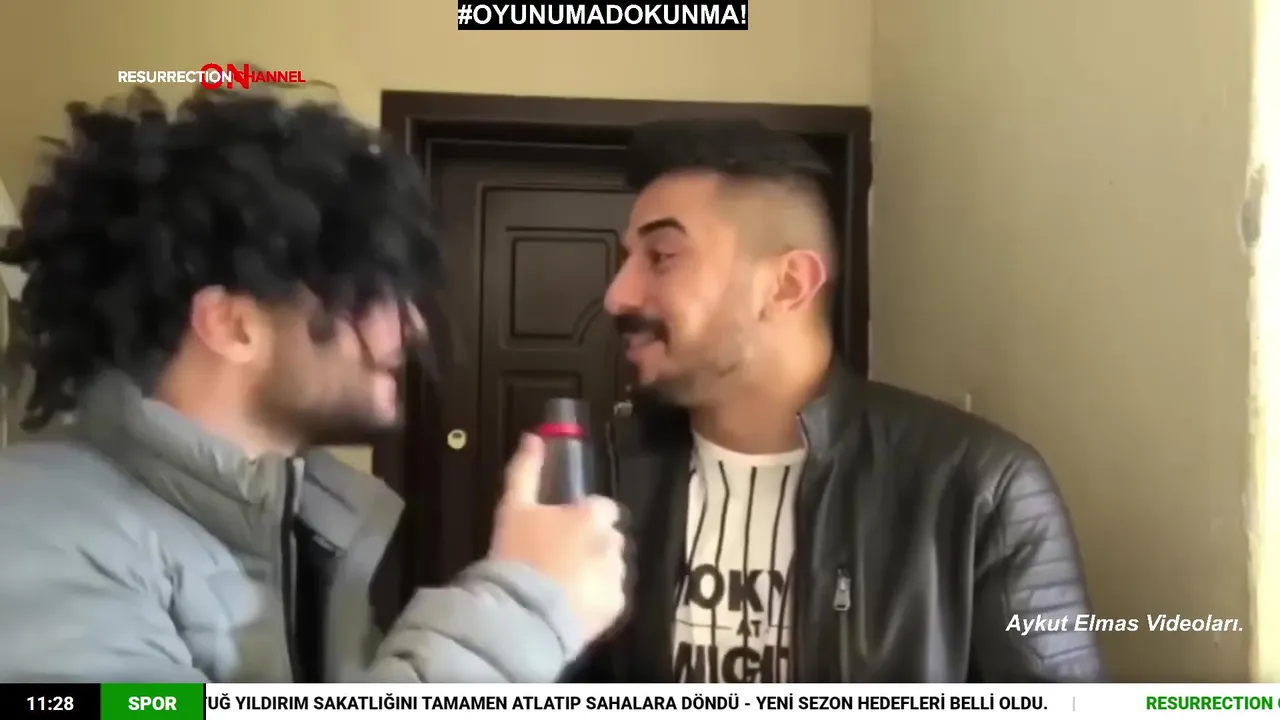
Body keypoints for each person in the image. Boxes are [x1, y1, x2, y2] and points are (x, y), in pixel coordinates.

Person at [0, 90, 625, 683]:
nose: (410, 327)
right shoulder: (39, 535)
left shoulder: (301, 527)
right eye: (371, 292)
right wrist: (522, 610)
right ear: (234, 326)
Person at [571, 119, 1105, 682]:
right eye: (628, 260)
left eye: (661, 256)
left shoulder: (979, 489)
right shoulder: (595, 481)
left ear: (787, 284)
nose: (617, 295)